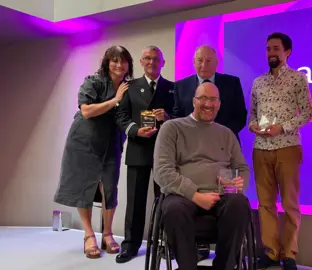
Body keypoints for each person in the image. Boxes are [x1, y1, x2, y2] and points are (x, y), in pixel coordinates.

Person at [153, 82, 252, 270]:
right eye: (203, 98)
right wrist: (195, 195)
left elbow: (242, 168)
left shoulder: (227, 134)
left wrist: (238, 183)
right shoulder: (172, 128)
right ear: (193, 101)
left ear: (219, 104)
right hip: (182, 197)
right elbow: (162, 171)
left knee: (240, 204)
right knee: (173, 209)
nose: (208, 104)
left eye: (213, 99)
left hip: (221, 196)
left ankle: (224, 267)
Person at [53, 45, 132, 259]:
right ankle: (89, 234)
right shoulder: (93, 81)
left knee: (109, 187)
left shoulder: (129, 86)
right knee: (85, 185)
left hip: (112, 141)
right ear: (107, 63)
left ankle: (107, 233)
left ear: (128, 64)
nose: (119, 64)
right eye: (114, 60)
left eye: (123, 60)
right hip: (84, 142)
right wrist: (115, 100)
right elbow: (86, 110)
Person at [249, 32, 312, 270]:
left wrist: (282, 128)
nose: (271, 53)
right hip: (261, 148)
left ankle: (289, 254)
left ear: (287, 52)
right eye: (268, 49)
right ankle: (271, 252)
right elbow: (252, 116)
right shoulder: (258, 82)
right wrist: (254, 126)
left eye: (276, 48)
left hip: (288, 147)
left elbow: (306, 114)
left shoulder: (298, 79)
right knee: (265, 204)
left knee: (290, 204)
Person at [115, 46, 175, 263]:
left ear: (163, 62)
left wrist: (167, 117)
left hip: (164, 153)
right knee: (135, 201)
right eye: (147, 58)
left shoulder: (172, 88)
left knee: (168, 201)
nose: (152, 62)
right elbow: (120, 116)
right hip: (138, 149)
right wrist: (136, 130)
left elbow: (180, 117)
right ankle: (130, 245)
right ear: (141, 62)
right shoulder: (129, 87)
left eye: (156, 59)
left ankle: (169, 244)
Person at [172, 45, 247, 143]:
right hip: (191, 144)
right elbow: (177, 116)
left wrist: (220, 134)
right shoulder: (180, 86)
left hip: (225, 142)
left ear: (216, 63)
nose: (204, 65)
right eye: (200, 60)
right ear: (194, 62)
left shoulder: (232, 83)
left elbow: (240, 115)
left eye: (208, 61)